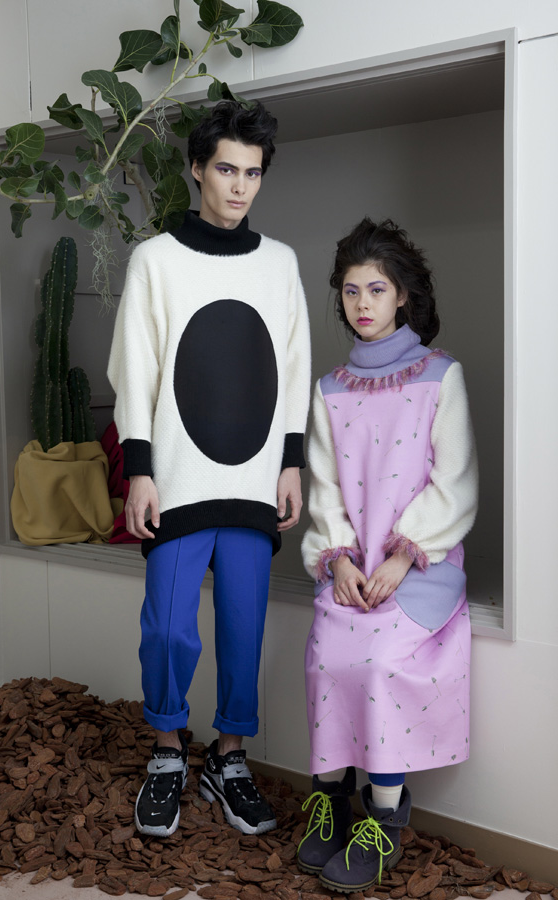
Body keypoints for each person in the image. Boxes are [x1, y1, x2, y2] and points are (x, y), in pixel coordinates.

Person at [107, 100, 311, 838]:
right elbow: (136, 368)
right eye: (226, 169)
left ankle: (229, 758)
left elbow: (293, 365)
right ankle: (168, 752)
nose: (239, 186)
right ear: (197, 169)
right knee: (168, 630)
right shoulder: (155, 261)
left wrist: (290, 463)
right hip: (177, 480)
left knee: (243, 629)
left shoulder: (279, 263)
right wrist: (139, 469)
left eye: (252, 173)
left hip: (254, 481)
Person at [298, 218, 477, 892]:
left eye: (376, 289)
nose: (363, 303)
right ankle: (330, 802)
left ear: (403, 295)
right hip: (351, 568)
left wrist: (405, 557)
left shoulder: (440, 377)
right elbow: (324, 488)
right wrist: (340, 560)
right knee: (324, 659)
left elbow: (454, 480)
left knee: (375, 666)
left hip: (420, 569)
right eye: (351, 291)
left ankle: (384, 820)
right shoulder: (330, 388)